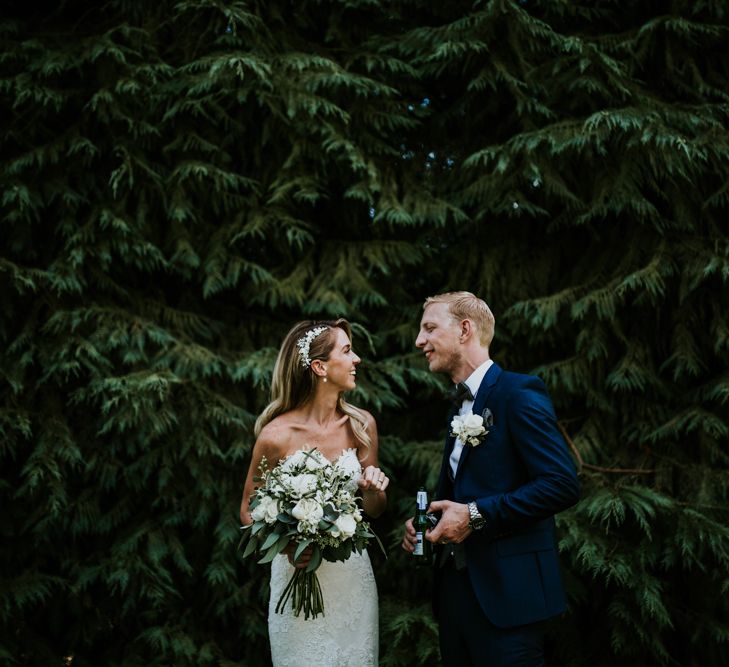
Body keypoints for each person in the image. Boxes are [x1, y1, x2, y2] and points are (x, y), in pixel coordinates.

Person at [401, 291, 579, 666]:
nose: (420, 341)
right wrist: (427, 522)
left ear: (465, 330)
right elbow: (463, 493)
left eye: (430, 328)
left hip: (510, 600)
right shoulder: (459, 405)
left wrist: (475, 514)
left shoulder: (518, 393)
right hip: (455, 598)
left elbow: (561, 483)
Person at [240, 319, 388, 667]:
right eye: (348, 351)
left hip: (351, 578)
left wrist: (372, 490)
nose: (357, 360)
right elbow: (249, 507)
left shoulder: (361, 426)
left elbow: (375, 510)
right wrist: (287, 544)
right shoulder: (276, 435)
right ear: (320, 367)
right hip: (295, 571)